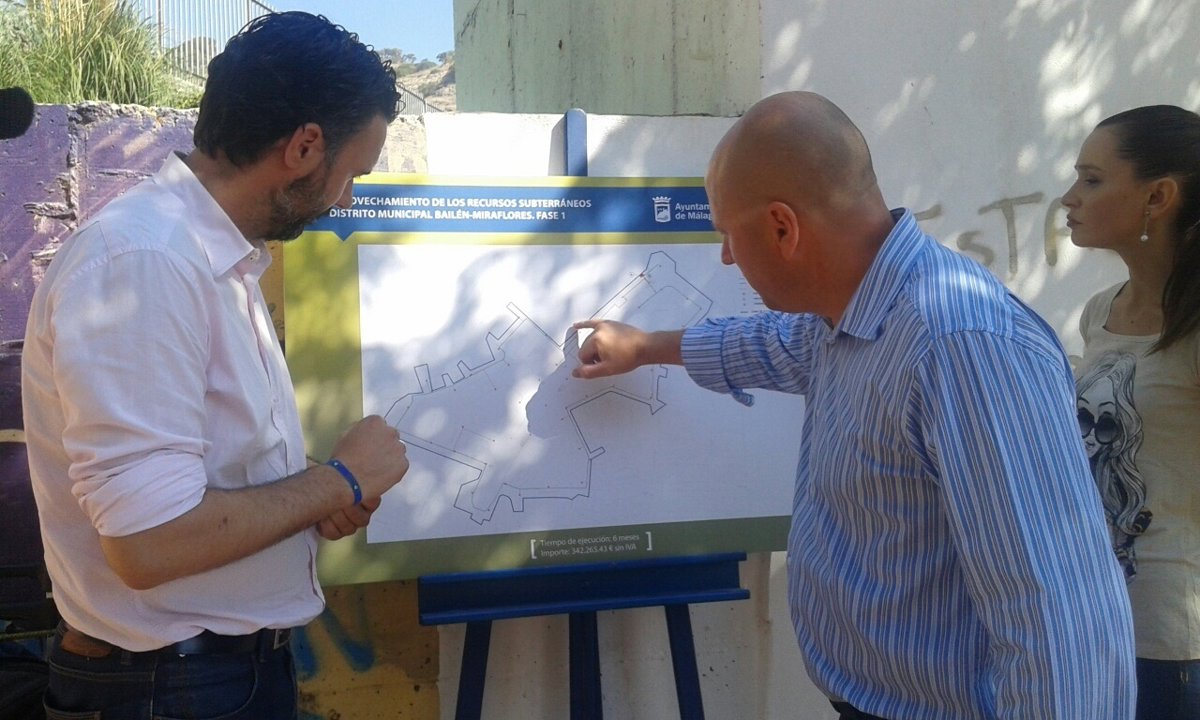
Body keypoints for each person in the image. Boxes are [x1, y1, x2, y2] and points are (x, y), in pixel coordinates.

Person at [572, 91, 1135, 719]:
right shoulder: (848, 313)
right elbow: (774, 344)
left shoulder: (961, 344)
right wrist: (647, 347)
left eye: (728, 233)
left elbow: (1055, 614)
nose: (726, 255)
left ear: (783, 228)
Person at [20, 12, 409, 719]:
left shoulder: (211, 258)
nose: (347, 197)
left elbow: (198, 473)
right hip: (172, 687)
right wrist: (339, 480)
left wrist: (313, 499)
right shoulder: (147, 261)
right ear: (305, 147)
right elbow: (148, 544)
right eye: (352, 172)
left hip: (202, 679)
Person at [1062, 104, 1200, 720]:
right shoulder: (1101, 310)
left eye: (1092, 180)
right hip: (1095, 622)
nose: (1070, 197)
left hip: (1174, 645)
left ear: (1158, 196)